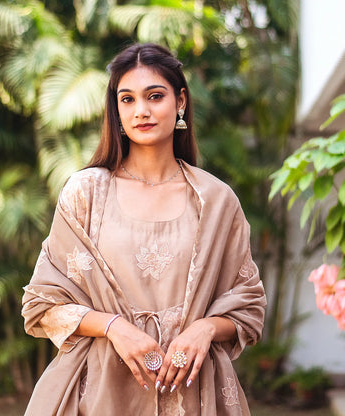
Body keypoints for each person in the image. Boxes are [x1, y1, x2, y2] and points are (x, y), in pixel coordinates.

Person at [21, 42, 266, 416]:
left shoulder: (216, 200)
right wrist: (115, 328)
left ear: (180, 101)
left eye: (155, 96)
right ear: (116, 110)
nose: (142, 111)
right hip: (98, 393)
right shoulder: (86, 193)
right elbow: (42, 305)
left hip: (193, 393)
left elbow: (248, 305)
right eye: (127, 99)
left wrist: (204, 330)